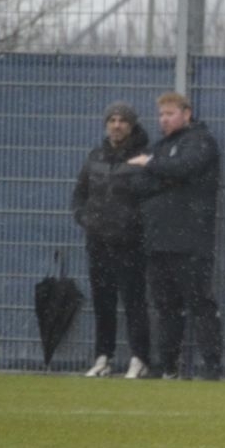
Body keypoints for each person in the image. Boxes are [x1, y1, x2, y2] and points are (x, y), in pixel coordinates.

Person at [125, 92, 224, 380]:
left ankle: (211, 368)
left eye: (169, 114)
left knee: (200, 304)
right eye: (161, 115)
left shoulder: (202, 142)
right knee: (165, 307)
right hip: (158, 240)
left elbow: (184, 167)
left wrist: (152, 167)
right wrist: (167, 177)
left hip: (191, 241)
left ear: (186, 114)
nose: (163, 120)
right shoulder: (159, 147)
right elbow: (138, 184)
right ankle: (166, 367)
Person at [70, 102, 152, 378]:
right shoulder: (96, 156)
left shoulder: (144, 157)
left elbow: (151, 198)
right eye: (112, 120)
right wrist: (85, 218)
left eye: (122, 121)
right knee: (102, 301)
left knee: (133, 301)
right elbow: (79, 194)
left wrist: (133, 224)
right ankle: (103, 357)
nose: (117, 125)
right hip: (98, 240)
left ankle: (139, 358)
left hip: (130, 242)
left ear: (132, 125)